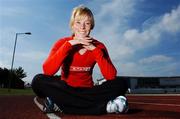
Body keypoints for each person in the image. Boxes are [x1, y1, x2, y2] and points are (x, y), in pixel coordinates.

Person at [32, 5, 128, 115]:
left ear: (91, 26)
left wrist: (94, 50)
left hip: (89, 91)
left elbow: (111, 76)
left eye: (87, 23)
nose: (82, 27)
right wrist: (68, 45)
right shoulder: (62, 43)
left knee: (122, 83)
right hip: (65, 89)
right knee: (38, 80)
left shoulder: (99, 46)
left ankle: (62, 105)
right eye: (78, 22)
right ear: (72, 26)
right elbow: (48, 71)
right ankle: (103, 107)